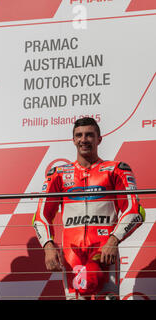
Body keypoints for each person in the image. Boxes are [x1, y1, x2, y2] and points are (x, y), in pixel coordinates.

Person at [33, 117, 145, 300]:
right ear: (73, 140)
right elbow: (41, 215)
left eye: (89, 135)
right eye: (79, 135)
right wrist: (48, 245)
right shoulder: (58, 174)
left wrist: (113, 241)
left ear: (99, 139)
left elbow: (135, 211)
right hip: (72, 254)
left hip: (105, 253)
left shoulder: (116, 169)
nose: (83, 139)